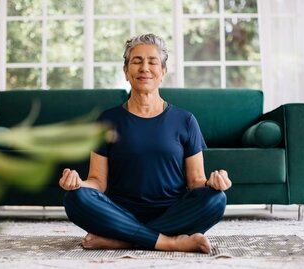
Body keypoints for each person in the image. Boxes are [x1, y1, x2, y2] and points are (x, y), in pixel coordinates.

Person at [59, 33, 232, 253]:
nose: (145, 68)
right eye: (137, 61)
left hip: (173, 213)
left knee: (217, 199)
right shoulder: (107, 120)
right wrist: (78, 184)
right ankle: (168, 242)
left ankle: (123, 240)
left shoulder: (185, 120)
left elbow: (195, 181)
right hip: (118, 212)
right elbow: (97, 182)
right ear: (126, 71)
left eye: (152, 62)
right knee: (75, 198)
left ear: (163, 72)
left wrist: (213, 183)